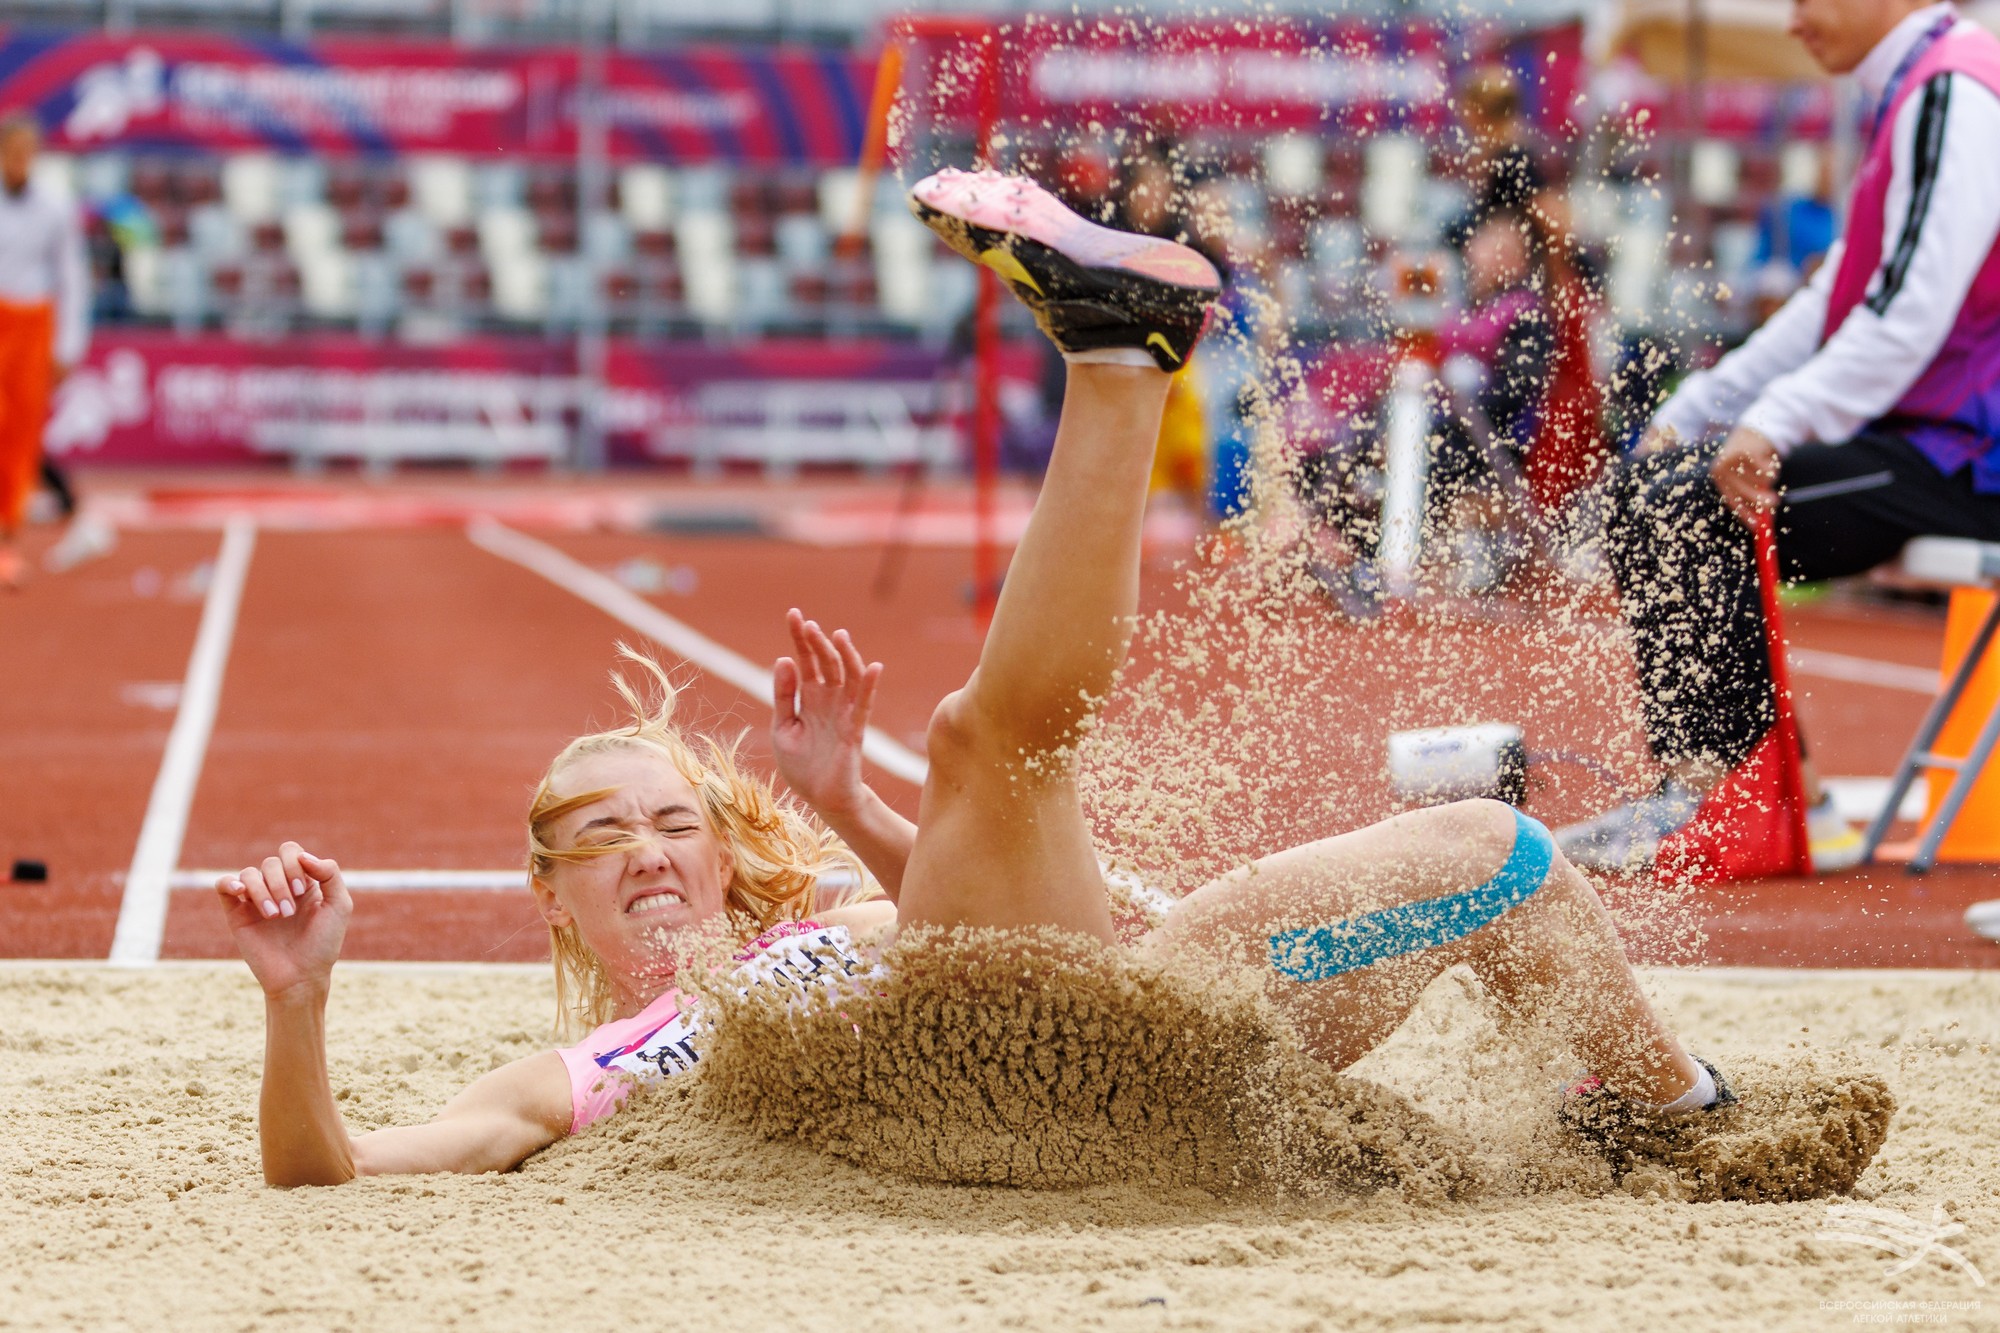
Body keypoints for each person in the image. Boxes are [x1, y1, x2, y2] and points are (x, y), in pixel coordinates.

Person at [218, 169, 1868, 1193]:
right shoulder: (568, 1077)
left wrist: (839, 799)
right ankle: (1115, 356)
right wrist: (299, 1004)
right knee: (983, 746)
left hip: (1122, 1035)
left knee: (1498, 849)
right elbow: (334, 1166)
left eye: (671, 819)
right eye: (603, 834)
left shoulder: (830, 926)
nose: (647, 849)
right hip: (1009, 1091)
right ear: (552, 893)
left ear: (723, 852)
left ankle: (1671, 1105)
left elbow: (968, 914)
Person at [1558, 0, 2000, 873]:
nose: (1794, 21)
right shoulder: (1917, 90)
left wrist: (1774, 420)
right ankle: (1748, 794)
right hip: (1930, 444)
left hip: (1968, 460)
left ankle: (1736, 801)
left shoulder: (1955, 92)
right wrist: (1700, 407)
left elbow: (1907, 314)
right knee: (1651, 490)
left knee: (1688, 504)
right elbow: (1833, 303)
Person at [0, 114, 92, 589]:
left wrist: (68, 344)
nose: (19, 161)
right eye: (12, 152)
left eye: (27, 152)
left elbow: (72, 277)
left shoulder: (55, 207)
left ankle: (6, 539)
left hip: (33, 325)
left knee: (20, 437)